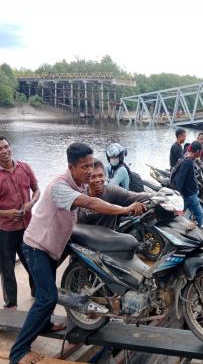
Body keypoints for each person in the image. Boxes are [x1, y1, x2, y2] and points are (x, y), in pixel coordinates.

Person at [9, 143, 146, 364]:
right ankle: (19, 352)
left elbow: (102, 195)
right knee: (47, 297)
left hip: (54, 245)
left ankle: (43, 324)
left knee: (46, 295)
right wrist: (124, 210)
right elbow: (90, 202)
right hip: (37, 246)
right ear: (71, 167)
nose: (90, 171)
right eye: (85, 167)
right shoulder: (60, 186)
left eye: (92, 165)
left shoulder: (80, 182)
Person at [0, 136, 39, 309]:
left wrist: (31, 203)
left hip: (27, 226)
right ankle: (11, 305)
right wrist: (7, 213)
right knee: (7, 268)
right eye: (0, 149)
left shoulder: (25, 167)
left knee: (33, 262)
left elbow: (36, 190)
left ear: (10, 147)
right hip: (5, 230)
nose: (4, 151)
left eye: (6, 147)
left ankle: (37, 293)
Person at [78, 159, 153, 229]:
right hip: (83, 240)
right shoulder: (79, 195)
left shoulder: (112, 192)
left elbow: (137, 196)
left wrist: (159, 195)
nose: (98, 180)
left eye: (100, 176)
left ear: (105, 176)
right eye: (93, 177)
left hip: (109, 239)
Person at [172, 140, 203, 228]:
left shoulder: (187, 158)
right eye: (200, 151)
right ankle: (199, 234)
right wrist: (178, 193)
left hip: (188, 193)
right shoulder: (188, 162)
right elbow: (180, 178)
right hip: (189, 194)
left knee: (181, 214)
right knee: (200, 215)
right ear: (198, 151)